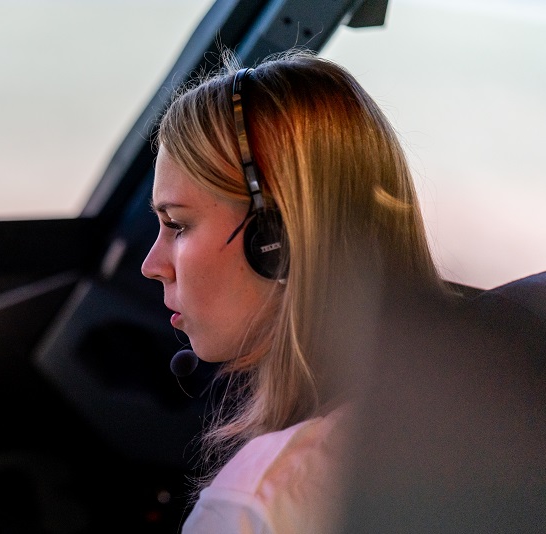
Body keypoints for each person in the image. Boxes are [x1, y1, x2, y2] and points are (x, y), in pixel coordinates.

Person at [140, 49, 451, 533]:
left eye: (177, 224)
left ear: (274, 240)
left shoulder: (259, 503)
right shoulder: (477, 405)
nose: (152, 265)